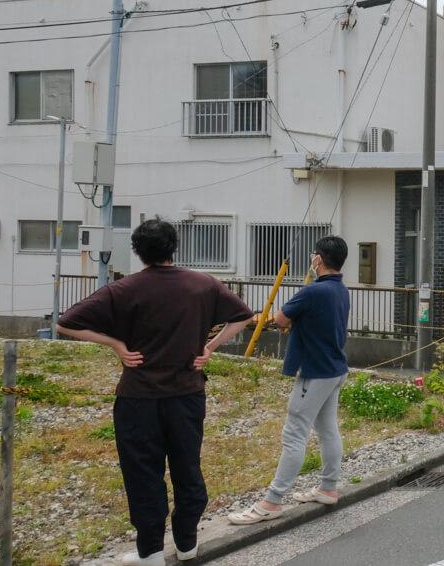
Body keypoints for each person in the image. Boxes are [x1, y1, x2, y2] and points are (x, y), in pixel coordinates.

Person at [58, 219, 254, 566]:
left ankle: (150, 553)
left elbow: (65, 322)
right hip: (187, 395)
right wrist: (211, 347)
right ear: (173, 247)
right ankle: (187, 544)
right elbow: (243, 316)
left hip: (137, 399)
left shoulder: (124, 289)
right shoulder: (202, 284)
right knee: (187, 470)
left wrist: (116, 344)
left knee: (143, 476)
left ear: (138, 251)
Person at [230, 236, 351, 525]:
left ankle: (272, 501)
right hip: (335, 368)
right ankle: (328, 487)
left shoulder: (311, 291)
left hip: (315, 371)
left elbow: (282, 319)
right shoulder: (341, 290)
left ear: (319, 260)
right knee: (327, 429)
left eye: (314, 256)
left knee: (294, 434)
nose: (312, 259)